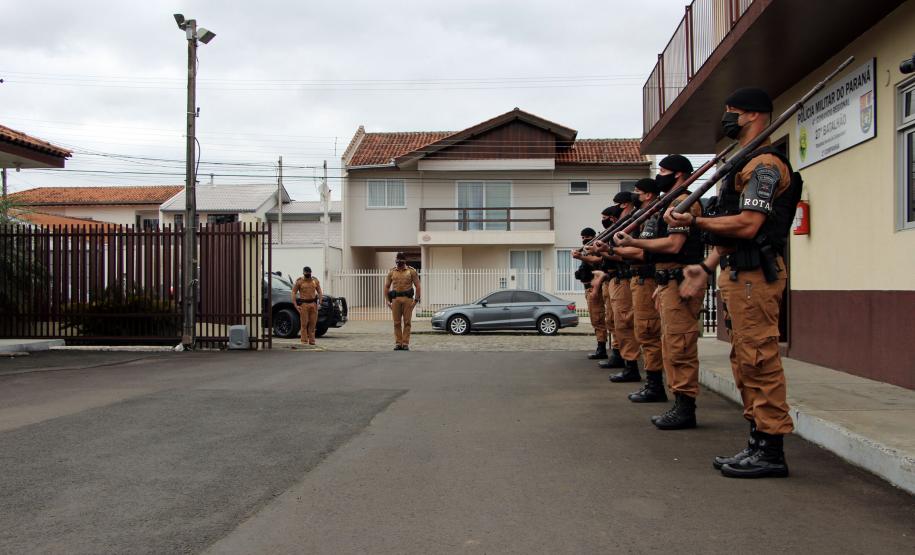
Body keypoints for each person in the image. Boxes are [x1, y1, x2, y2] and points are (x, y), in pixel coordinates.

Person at [667, 87, 800, 478]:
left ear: (753, 115)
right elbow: (731, 237)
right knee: (745, 362)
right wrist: (707, 266)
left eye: (732, 112)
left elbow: (748, 224)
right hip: (739, 275)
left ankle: (771, 450)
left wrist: (694, 221)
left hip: (756, 276)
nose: (727, 118)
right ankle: (757, 441)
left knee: (759, 360)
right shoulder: (744, 162)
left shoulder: (764, 165)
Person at [613, 155, 705, 428]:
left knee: (679, 345)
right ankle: (676, 400)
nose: (659, 175)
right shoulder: (672, 201)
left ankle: (685, 408)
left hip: (679, 280)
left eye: (663, 170)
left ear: (678, 174)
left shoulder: (682, 202)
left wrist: (634, 242)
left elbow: (675, 245)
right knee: (668, 343)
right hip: (666, 281)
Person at [572, 227, 608, 360]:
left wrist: (582, 257)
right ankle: (601, 346)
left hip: (595, 287)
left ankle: (602, 348)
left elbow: (598, 262)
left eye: (587, 237)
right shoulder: (586, 251)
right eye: (582, 237)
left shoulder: (596, 250)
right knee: (595, 318)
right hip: (588, 287)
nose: (584, 239)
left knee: (599, 318)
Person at [383, 252, 421, 351]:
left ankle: (405, 343)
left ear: (404, 260)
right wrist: (387, 300)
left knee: (407, 322)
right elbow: (386, 287)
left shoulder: (411, 271)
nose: (399, 261)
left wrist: (416, 300)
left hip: (408, 300)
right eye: (397, 259)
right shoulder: (392, 272)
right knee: (396, 323)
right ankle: (398, 343)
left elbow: (418, 286)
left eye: (401, 259)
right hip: (395, 300)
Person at [291, 266, 322, 345]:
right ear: (303, 273)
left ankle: (312, 341)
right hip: (304, 304)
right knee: (304, 324)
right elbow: (294, 292)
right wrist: (295, 304)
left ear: (311, 273)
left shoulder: (315, 281)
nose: (308, 274)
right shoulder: (300, 281)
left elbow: (319, 291)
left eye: (309, 273)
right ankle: (304, 341)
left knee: (313, 323)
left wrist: (320, 302)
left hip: (313, 304)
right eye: (306, 273)